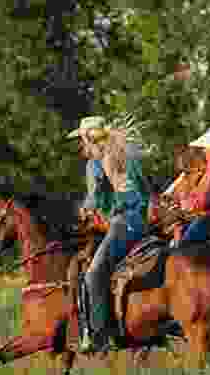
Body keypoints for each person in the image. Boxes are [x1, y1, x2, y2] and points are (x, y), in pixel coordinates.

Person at [67, 116, 149, 353]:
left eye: (82, 141)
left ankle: (100, 336)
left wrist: (84, 209)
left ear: (89, 140)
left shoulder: (95, 165)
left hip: (123, 223)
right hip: (139, 222)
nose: (81, 147)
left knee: (93, 273)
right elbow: (144, 191)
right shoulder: (128, 157)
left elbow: (96, 202)